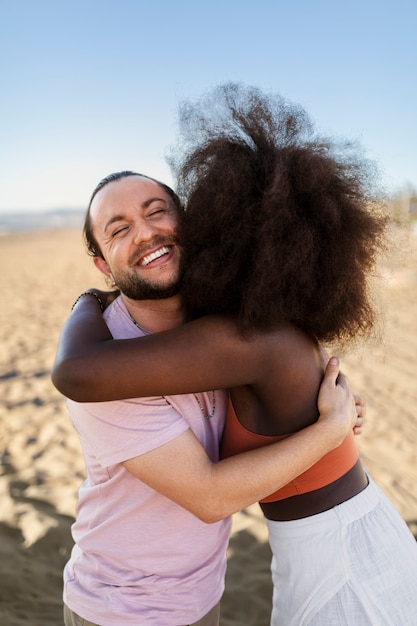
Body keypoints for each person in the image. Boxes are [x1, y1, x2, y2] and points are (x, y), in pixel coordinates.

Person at [52, 83, 417, 624]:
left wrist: (330, 424)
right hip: (127, 608)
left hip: (318, 568)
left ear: (206, 226)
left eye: (159, 212)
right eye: (119, 229)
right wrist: (327, 429)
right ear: (103, 264)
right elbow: (209, 493)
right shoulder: (182, 345)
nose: (148, 232)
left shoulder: (240, 336)